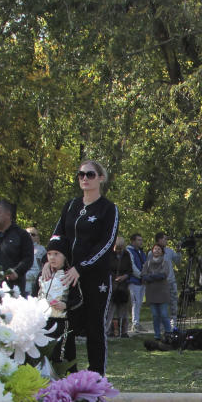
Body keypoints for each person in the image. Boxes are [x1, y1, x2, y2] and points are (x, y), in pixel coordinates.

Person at [50, 160, 119, 374]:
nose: (85, 179)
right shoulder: (71, 206)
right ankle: (69, 372)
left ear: (100, 178)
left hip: (94, 278)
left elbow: (106, 244)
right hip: (68, 276)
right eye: (81, 175)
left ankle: (96, 376)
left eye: (90, 174)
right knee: (66, 323)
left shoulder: (109, 209)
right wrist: (50, 259)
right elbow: (57, 234)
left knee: (94, 326)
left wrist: (81, 267)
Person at [34, 238, 82, 374]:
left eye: (56, 254)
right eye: (49, 254)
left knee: (59, 354)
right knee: (41, 353)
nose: (52, 257)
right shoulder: (42, 275)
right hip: (41, 322)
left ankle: (60, 381)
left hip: (61, 323)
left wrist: (65, 305)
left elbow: (78, 299)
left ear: (65, 256)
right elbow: (34, 296)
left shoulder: (69, 275)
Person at [0, 201, 34, 294]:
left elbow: (28, 258)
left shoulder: (21, 235)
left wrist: (17, 271)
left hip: (12, 288)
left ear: (8, 214)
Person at [141, 243, 171, 341]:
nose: (156, 251)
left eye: (159, 249)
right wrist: (154, 276)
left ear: (162, 252)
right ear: (152, 251)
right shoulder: (147, 263)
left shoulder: (165, 262)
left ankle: (168, 332)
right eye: (155, 249)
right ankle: (157, 334)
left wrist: (151, 276)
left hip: (162, 292)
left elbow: (163, 275)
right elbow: (143, 276)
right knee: (155, 315)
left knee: (163, 314)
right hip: (151, 293)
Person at [106, 236, 133, 338]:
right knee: (110, 309)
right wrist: (114, 277)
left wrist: (124, 277)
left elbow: (130, 270)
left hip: (123, 286)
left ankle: (124, 331)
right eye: (117, 248)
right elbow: (107, 269)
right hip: (112, 284)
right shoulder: (109, 255)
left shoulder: (127, 255)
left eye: (120, 248)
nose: (118, 251)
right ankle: (108, 330)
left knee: (123, 309)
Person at [155, 231, 181, 332]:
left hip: (171, 282)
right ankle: (162, 327)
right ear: (159, 240)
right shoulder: (152, 252)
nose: (166, 240)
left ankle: (173, 325)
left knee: (173, 304)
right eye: (165, 239)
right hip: (160, 283)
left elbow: (178, 261)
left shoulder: (169, 251)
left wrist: (178, 251)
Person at [126, 233, 146, 334]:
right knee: (135, 302)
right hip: (134, 281)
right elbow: (132, 267)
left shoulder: (141, 252)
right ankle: (135, 323)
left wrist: (146, 275)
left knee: (139, 302)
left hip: (142, 281)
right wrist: (141, 276)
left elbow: (146, 264)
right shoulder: (129, 251)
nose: (140, 242)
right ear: (133, 241)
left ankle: (137, 322)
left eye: (141, 240)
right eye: (138, 240)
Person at [26, 227, 47, 295]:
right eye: (27, 233)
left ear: (37, 237)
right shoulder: (18, 248)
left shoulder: (42, 249)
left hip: (35, 281)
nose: (30, 236)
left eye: (33, 234)